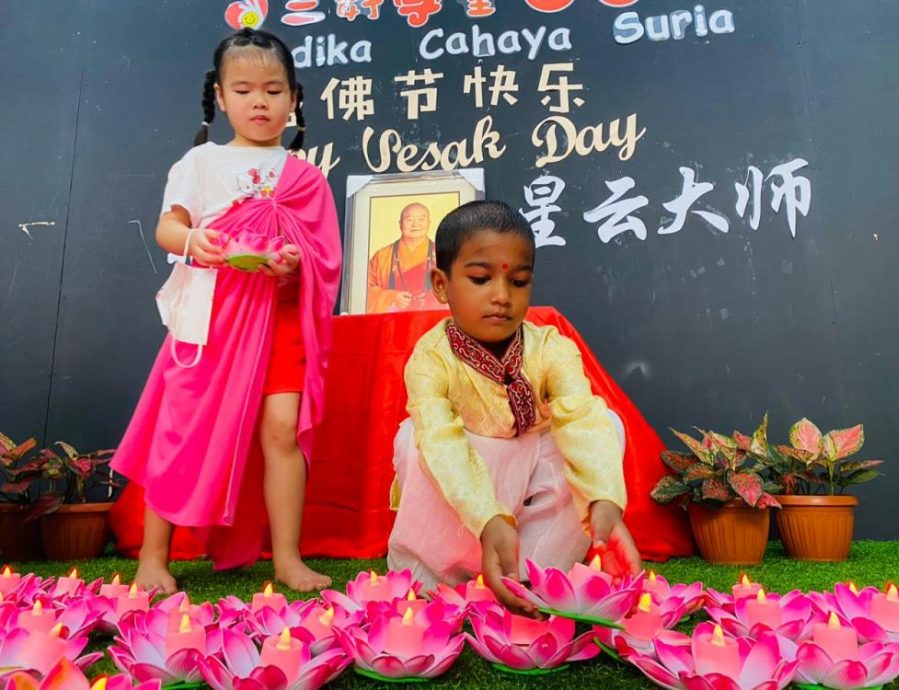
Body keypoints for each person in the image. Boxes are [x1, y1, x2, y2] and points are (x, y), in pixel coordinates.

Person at [111, 28, 341, 595]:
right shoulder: (200, 161)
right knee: (181, 429)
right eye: (243, 89)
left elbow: (322, 255)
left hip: (281, 318)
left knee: (283, 430)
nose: (258, 102)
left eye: (272, 90)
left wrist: (292, 263)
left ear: (294, 99)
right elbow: (170, 225)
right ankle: (154, 557)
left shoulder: (305, 177)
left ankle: (286, 557)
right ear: (220, 96)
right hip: (211, 316)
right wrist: (196, 243)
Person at [387, 200, 642, 613]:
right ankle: (433, 579)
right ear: (440, 284)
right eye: (480, 279)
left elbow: (581, 420)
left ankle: (533, 575)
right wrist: (489, 520)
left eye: (519, 282)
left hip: (529, 477)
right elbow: (442, 442)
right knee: (414, 437)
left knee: (606, 425)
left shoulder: (551, 349)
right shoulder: (430, 357)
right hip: (463, 477)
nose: (502, 296)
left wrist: (604, 503)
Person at [366, 202, 442, 312]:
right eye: (409, 219)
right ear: (400, 224)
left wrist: (433, 298)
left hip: (432, 324)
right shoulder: (382, 256)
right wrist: (391, 297)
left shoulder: (443, 254)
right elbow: (364, 291)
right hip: (391, 324)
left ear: (429, 223)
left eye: (421, 219)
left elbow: (458, 288)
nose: (415, 224)